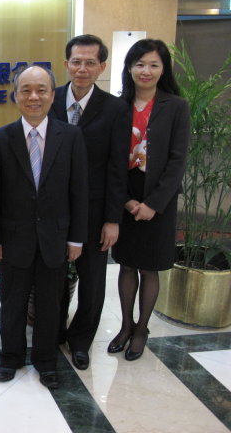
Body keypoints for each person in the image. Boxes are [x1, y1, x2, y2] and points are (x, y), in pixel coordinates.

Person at [0, 65, 88, 389]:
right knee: (12, 304)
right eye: (26, 90)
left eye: (41, 90)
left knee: (50, 305)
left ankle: (46, 361)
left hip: (55, 238)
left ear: (52, 95)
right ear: (15, 96)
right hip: (14, 239)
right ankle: (10, 358)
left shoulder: (70, 136)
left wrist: (77, 239)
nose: (33, 96)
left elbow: (79, 191)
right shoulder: (0, 139)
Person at [48, 34, 130, 370]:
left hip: (96, 211)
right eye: (76, 61)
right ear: (65, 64)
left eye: (90, 62)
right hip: (53, 209)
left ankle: (81, 340)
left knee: (93, 281)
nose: (82, 69)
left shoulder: (115, 109)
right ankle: (52, 335)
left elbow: (116, 169)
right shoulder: (48, 101)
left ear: (102, 67)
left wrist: (113, 219)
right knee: (52, 276)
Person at [110, 39, 190, 361]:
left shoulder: (176, 106)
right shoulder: (117, 105)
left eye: (153, 65)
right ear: (129, 68)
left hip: (160, 199)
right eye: (140, 64)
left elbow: (177, 160)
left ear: (163, 69)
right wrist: (126, 201)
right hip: (125, 194)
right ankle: (125, 326)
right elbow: (111, 159)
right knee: (126, 264)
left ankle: (142, 329)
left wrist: (153, 204)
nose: (146, 71)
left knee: (150, 268)